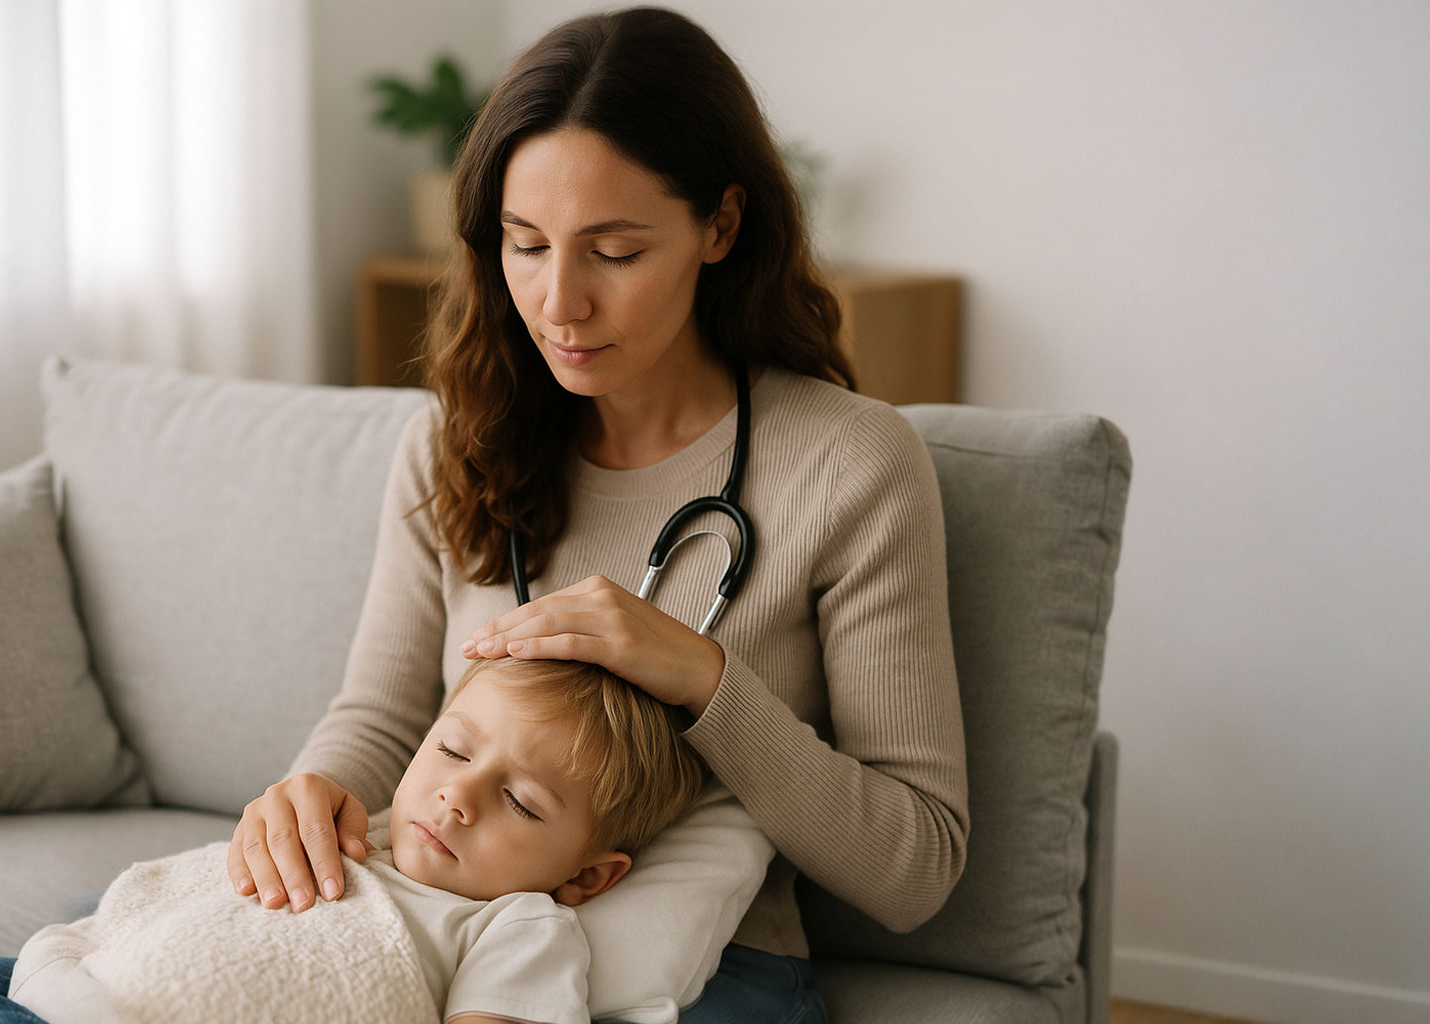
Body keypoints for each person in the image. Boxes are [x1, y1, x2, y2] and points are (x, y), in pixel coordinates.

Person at [236, 6, 969, 1021]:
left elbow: (916, 864)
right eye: (524, 244)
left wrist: (704, 680)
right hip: (443, 928)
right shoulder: (456, 438)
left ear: (720, 226)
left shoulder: (851, 465)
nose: (558, 304)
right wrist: (307, 795)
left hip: (705, 973)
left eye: (614, 253)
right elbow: (384, 715)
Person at [0, 657, 708, 1024]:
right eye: (454, 751)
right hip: (108, 991)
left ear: (588, 878)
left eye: (522, 803)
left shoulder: (521, 924)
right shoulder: (373, 832)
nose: (458, 796)